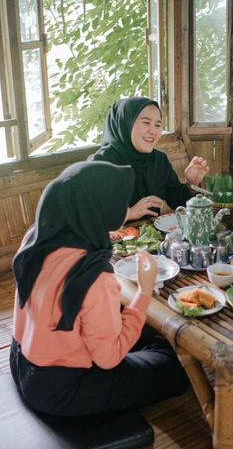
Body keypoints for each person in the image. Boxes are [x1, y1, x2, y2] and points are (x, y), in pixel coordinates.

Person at [10, 161, 189, 417]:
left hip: (21, 361)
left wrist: (126, 215)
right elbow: (109, 358)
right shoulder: (92, 274)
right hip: (62, 389)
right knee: (176, 365)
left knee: (147, 338)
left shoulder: (37, 239)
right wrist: (144, 292)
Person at [90, 97, 209, 221]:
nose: (153, 130)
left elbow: (177, 203)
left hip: (154, 237)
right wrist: (130, 213)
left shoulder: (159, 160)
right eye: (146, 122)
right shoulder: (99, 165)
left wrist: (191, 184)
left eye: (158, 125)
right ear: (126, 123)